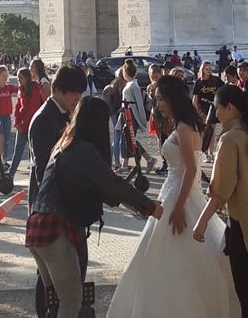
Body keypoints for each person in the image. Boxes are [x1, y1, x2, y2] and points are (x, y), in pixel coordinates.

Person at [107, 75, 239, 317]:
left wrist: (178, 207)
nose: (157, 105)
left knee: (170, 258)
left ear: (172, 100)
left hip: (179, 195)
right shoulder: (186, 124)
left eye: (160, 100)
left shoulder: (183, 127)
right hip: (178, 192)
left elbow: (190, 169)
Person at [27, 95, 161, 318]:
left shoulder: (65, 143)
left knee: (56, 301)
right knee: (71, 302)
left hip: (39, 227)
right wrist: (149, 207)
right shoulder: (82, 150)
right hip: (56, 230)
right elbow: (112, 183)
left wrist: (137, 206)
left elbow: (106, 187)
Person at [194, 84, 248, 318]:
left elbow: (220, 190)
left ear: (230, 108)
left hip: (245, 226)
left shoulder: (230, 140)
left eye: (217, 109)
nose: (216, 115)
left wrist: (201, 222)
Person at [28, 64, 89, 318]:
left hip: (62, 208)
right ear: (63, 91)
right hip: (50, 208)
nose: (78, 100)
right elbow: (46, 170)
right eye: (76, 94)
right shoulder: (44, 120)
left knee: (65, 277)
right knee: (53, 281)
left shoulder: (62, 115)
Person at [121, 59, 157, 174]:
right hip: (127, 113)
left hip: (131, 114)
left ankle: (148, 158)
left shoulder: (134, 86)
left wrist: (142, 119)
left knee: (129, 138)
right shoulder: (131, 85)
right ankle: (126, 164)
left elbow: (139, 104)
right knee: (127, 138)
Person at [11, 66, 44, 178]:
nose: (18, 80)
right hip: (22, 126)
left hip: (32, 126)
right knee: (17, 152)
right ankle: (11, 174)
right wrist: (16, 122)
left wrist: (22, 124)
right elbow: (18, 106)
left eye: (20, 77)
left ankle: (35, 176)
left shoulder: (35, 89)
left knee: (33, 153)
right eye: (18, 77)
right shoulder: (21, 89)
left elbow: (32, 109)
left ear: (26, 78)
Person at [0, 64, 19, 163]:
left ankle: (4, 158)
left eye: (6, 76)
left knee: (7, 138)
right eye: (3, 76)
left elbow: (18, 89)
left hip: (7, 116)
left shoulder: (8, 88)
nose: (5, 78)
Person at [192, 60, 222, 159]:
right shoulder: (199, 82)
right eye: (207, 69)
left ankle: (211, 152)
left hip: (213, 108)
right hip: (202, 108)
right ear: (202, 70)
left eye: (210, 69)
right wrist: (195, 110)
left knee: (212, 130)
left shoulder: (216, 80)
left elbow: (224, 88)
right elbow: (195, 98)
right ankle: (204, 151)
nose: (209, 70)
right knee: (204, 130)